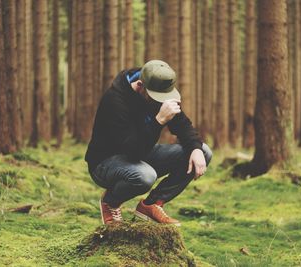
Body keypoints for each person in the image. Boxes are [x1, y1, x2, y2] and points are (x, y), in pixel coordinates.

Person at [85, 59, 212, 226]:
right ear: (140, 86)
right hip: (105, 163)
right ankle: (111, 201)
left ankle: (152, 204)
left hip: (141, 152)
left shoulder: (159, 86)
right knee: (145, 176)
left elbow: (183, 125)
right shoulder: (114, 102)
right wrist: (158, 121)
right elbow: (131, 150)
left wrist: (195, 149)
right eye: (156, 97)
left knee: (203, 151)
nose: (160, 101)